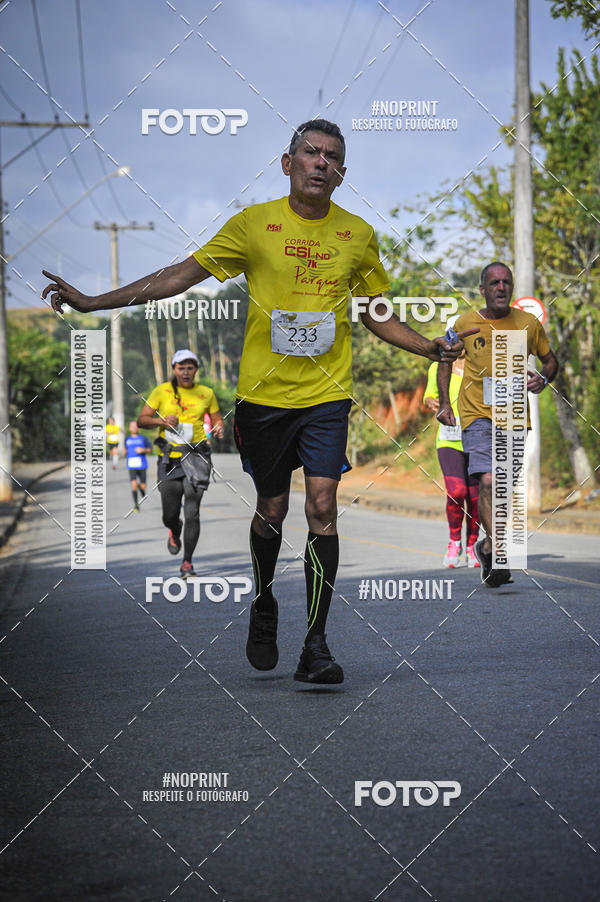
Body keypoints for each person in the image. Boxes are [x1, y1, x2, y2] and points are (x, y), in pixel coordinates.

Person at [42, 118, 472, 684]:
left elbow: (375, 312)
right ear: (288, 162)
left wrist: (429, 349)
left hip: (326, 396)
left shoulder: (358, 235)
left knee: (322, 505)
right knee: (272, 508)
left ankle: (315, 644)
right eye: (311, 153)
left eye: (333, 157)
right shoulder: (253, 225)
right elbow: (180, 276)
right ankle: (264, 600)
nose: (322, 162)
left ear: (343, 173)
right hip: (263, 399)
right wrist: (97, 301)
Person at [437, 262, 558, 587]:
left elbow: (550, 360)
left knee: (502, 489)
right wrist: (446, 403)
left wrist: (544, 379)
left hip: (515, 417)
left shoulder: (528, 324)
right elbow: (445, 360)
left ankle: (487, 545)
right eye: (494, 283)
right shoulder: (467, 323)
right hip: (476, 415)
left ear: (512, 287)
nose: (501, 287)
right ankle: (501, 549)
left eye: (506, 282)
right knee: (488, 481)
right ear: (483, 290)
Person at [136, 350, 224, 578]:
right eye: (181, 368)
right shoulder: (161, 391)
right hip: (169, 458)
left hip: (196, 456)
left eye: (190, 367)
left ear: (196, 369)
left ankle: (187, 562)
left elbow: (216, 417)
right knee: (170, 514)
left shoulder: (206, 393)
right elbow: (142, 420)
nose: (186, 372)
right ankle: (174, 529)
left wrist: (219, 426)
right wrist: (161, 421)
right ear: (174, 369)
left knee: (193, 511)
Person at [423, 318, 480, 567]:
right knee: (457, 492)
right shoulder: (437, 368)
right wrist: (432, 403)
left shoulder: (480, 368)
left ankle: (473, 545)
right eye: (454, 338)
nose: (458, 343)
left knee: (477, 497)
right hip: (449, 439)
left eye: (462, 338)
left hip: (478, 438)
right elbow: (429, 397)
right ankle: (454, 541)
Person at [124, 420, 152, 512]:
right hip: (131, 465)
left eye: (136, 426)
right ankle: (136, 505)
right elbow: (125, 449)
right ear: (129, 428)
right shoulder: (127, 439)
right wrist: (124, 452)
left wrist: (142, 450)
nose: (134, 428)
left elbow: (150, 450)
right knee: (134, 485)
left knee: (143, 486)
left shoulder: (143, 438)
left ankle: (142, 490)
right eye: (132, 426)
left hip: (142, 465)